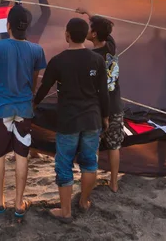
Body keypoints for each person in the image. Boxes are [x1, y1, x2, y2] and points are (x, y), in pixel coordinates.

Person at [33, 17, 109, 223]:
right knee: (89, 162)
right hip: (92, 119)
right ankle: (84, 202)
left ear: (66, 35)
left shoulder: (58, 61)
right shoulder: (97, 60)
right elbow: (104, 92)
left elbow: (44, 87)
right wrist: (106, 117)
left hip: (68, 121)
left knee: (64, 164)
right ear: (85, 35)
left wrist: (33, 105)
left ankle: (65, 211)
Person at [0, 4, 47, 219]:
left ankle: (0, 201)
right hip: (24, 108)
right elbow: (34, 81)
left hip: (1, 110)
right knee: (21, 155)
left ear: (8, 26)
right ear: (26, 28)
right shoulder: (36, 50)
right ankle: (18, 204)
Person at [77, 8, 123, 193]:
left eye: (89, 27)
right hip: (116, 106)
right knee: (114, 146)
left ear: (94, 34)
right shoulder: (111, 45)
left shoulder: (91, 58)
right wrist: (89, 13)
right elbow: (104, 25)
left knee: (93, 145)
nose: (87, 30)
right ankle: (114, 182)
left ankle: (92, 182)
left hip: (98, 109)